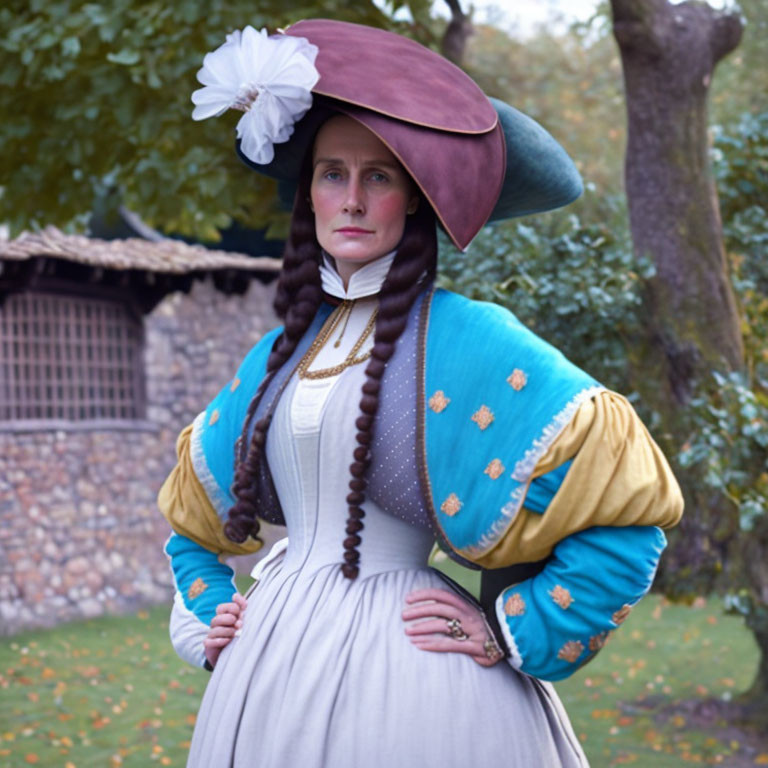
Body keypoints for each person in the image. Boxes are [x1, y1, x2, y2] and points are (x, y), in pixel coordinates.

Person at [158, 19, 684, 768]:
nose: (352, 199)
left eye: (379, 176)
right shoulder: (277, 357)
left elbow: (628, 516)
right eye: (332, 173)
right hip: (263, 670)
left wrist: (510, 628)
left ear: (412, 197)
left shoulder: (476, 343)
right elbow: (191, 522)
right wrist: (211, 615)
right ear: (307, 192)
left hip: (411, 673)